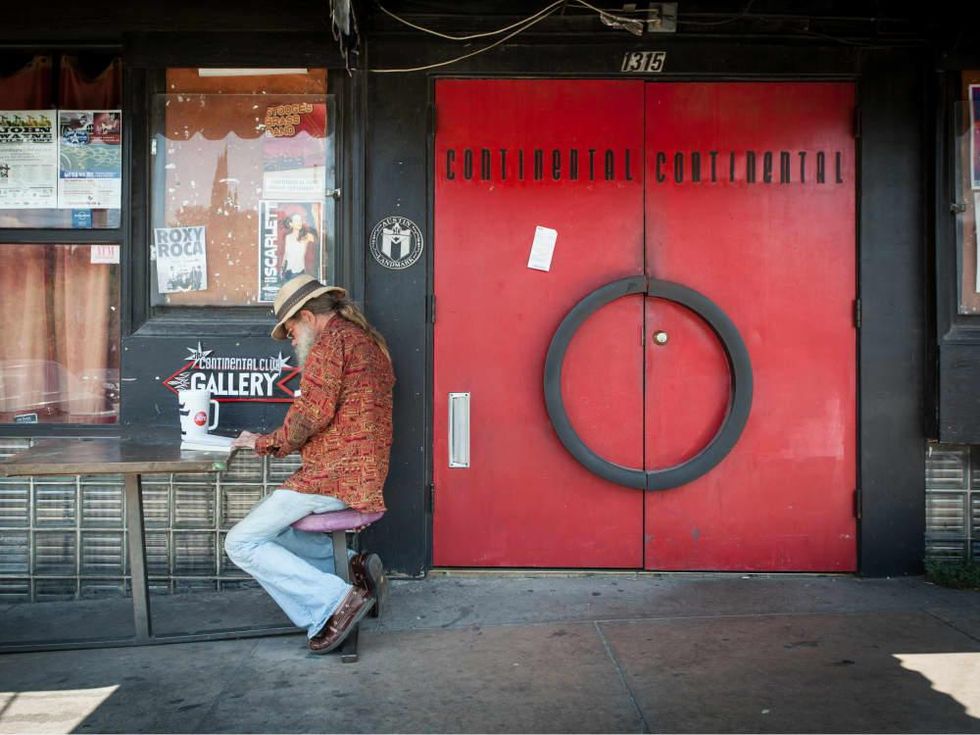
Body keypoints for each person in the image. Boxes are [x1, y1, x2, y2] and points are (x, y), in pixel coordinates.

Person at [227, 274, 395, 654]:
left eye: (289, 326)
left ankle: (333, 603)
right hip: (361, 475)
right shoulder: (365, 341)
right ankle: (355, 566)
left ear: (305, 315)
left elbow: (309, 415)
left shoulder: (330, 344)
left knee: (241, 542)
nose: (289, 336)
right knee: (275, 529)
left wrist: (264, 443)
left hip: (332, 477)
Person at [279, 212, 317, 282]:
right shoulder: (288, 237)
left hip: (300, 272)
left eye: (300, 220)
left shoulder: (308, 236)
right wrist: (282, 269)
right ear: (291, 224)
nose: (299, 222)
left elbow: (319, 246)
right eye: (296, 220)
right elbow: (286, 255)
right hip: (288, 272)